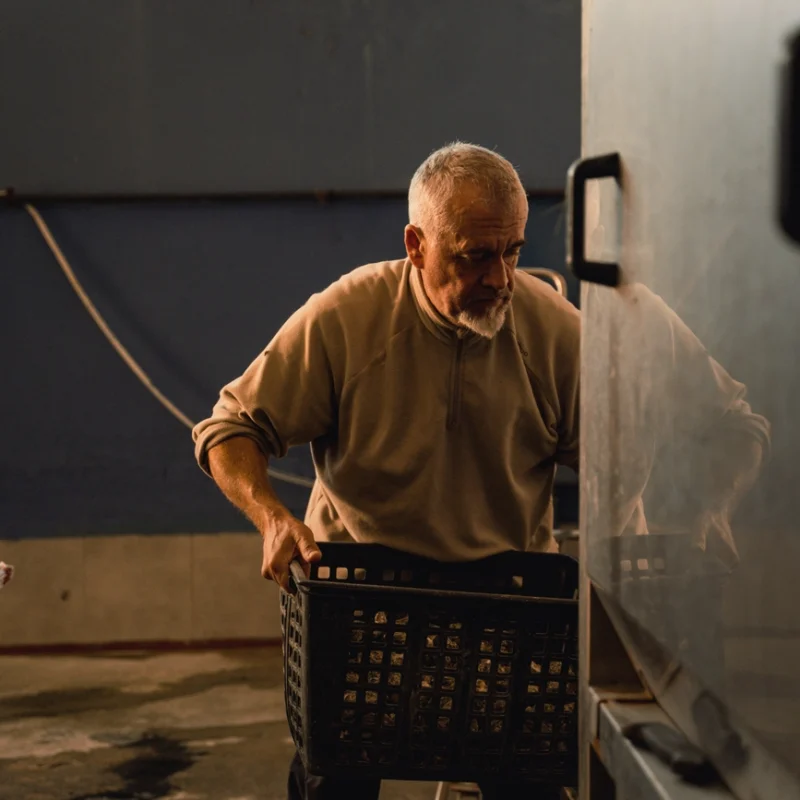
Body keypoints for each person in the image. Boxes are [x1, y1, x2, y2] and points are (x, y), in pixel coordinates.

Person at [193, 142, 578, 799]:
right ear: (415, 244)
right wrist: (271, 518)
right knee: (334, 779)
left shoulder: (551, 332)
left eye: (512, 250)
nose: (501, 279)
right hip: (361, 600)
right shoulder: (349, 318)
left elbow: (627, 456)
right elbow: (230, 429)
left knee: (528, 782)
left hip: (505, 605)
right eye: (475, 256)